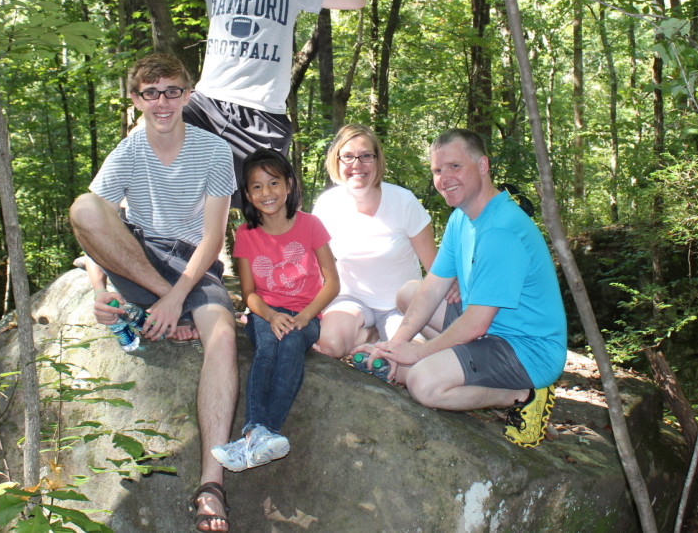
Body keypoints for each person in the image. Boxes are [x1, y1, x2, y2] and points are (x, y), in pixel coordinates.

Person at [68, 53, 238, 532]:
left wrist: (176, 295)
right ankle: (165, 311)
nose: (162, 102)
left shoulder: (213, 150)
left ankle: (211, 483)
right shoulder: (127, 151)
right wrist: (98, 290)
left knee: (222, 338)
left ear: (188, 94)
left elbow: (212, 238)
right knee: (83, 203)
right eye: (150, 92)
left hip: (193, 264)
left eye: (172, 91)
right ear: (135, 98)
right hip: (137, 258)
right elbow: (93, 227)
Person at [143, 0, 365, 204]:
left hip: (262, 111)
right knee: (144, 137)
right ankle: (121, 229)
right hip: (208, 102)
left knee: (270, 202)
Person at [363, 128, 568, 448]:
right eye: (437, 170)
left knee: (423, 383)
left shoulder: (502, 230)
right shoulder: (463, 219)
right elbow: (432, 287)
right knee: (409, 292)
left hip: (526, 349)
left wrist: (419, 352)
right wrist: (395, 345)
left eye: (454, 166)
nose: (444, 178)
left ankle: (523, 395)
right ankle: (430, 361)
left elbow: (476, 323)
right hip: (490, 330)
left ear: (483, 165)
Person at [211, 149, 339, 472]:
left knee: (293, 343)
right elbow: (249, 294)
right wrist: (269, 316)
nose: (266, 193)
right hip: (265, 313)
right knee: (268, 346)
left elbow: (332, 282)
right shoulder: (245, 235)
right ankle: (258, 432)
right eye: (257, 187)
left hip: (304, 314)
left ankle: (256, 436)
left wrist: (306, 316)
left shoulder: (310, 225)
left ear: (289, 185)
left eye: (273, 183)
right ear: (247, 195)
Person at [311, 124, 457, 359]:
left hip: (399, 305)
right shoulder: (327, 204)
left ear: (377, 161)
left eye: (366, 156)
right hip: (351, 298)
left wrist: (457, 289)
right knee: (329, 346)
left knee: (408, 361)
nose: (356, 165)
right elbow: (314, 267)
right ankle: (369, 336)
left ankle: (382, 336)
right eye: (347, 156)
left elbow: (435, 265)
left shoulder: (403, 201)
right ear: (336, 161)